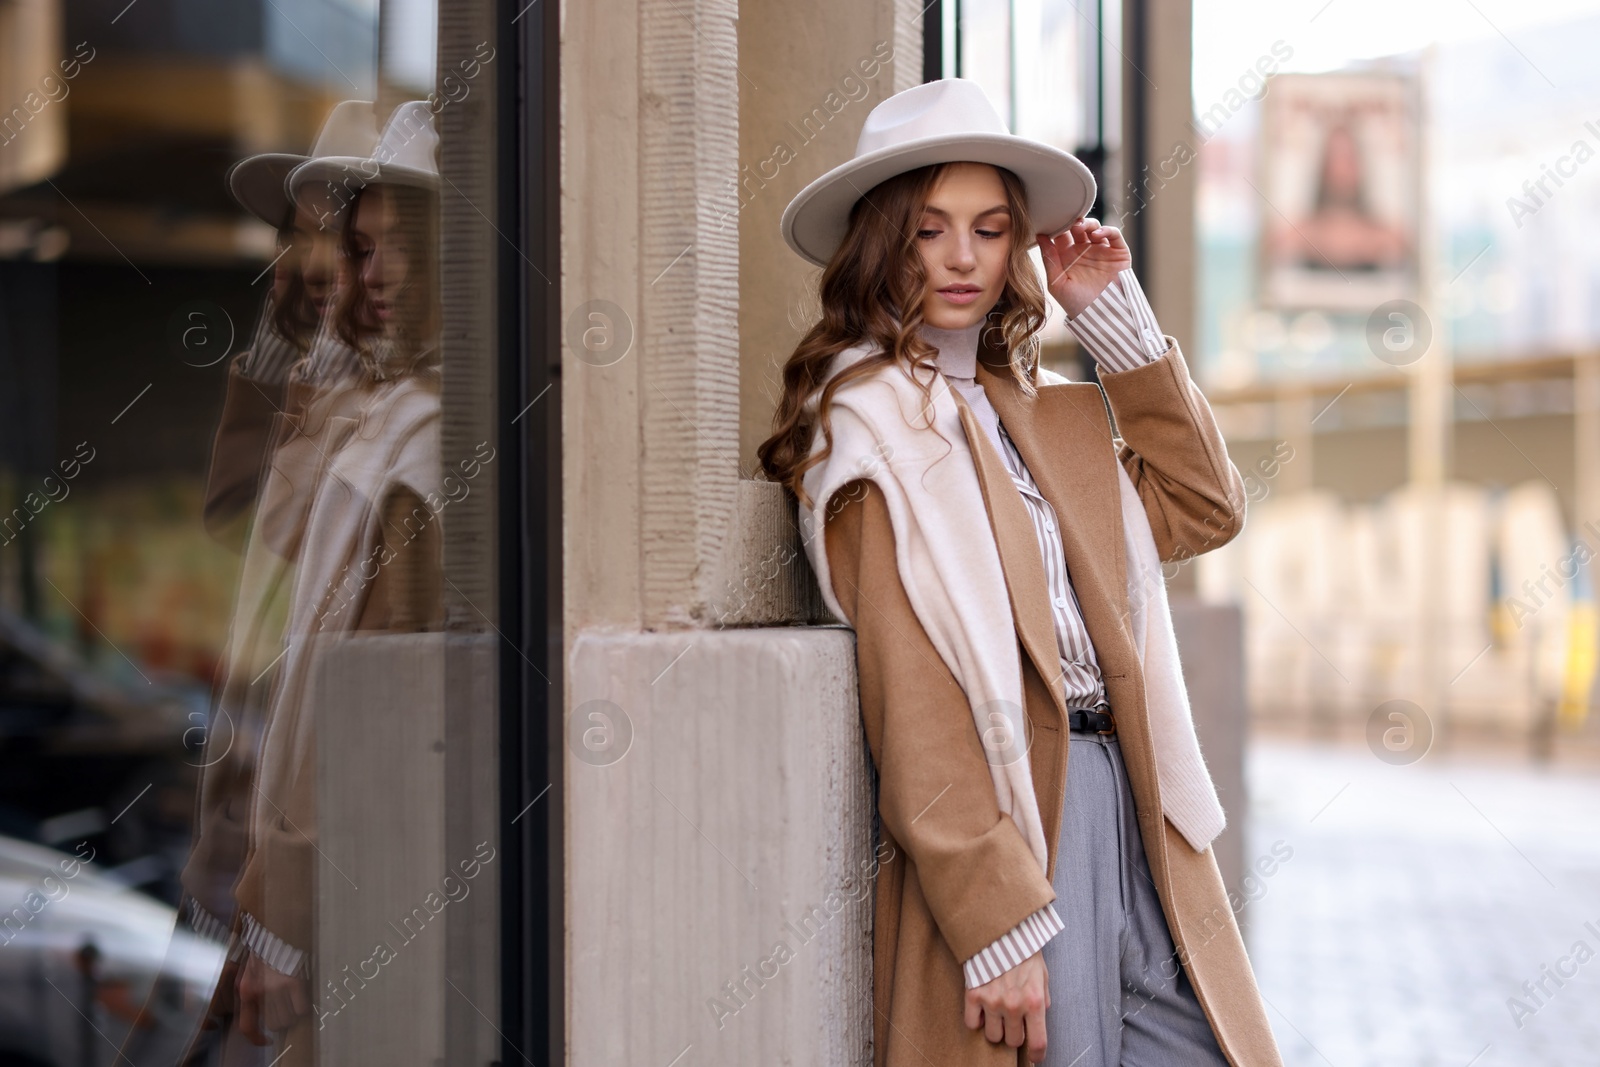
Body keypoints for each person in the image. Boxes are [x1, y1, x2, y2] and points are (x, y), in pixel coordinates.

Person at [759, 79, 1283, 1066]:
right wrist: (994, 912)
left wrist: (1114, 322)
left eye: (991, 228)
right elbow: (910, 694)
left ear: (1015, 252)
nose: (962, 256)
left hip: (1139, 799)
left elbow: (1205, 506)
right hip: (1023, 814)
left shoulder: (1051, 415)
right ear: (883, 242)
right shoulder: (869, 430)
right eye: (929, 229)